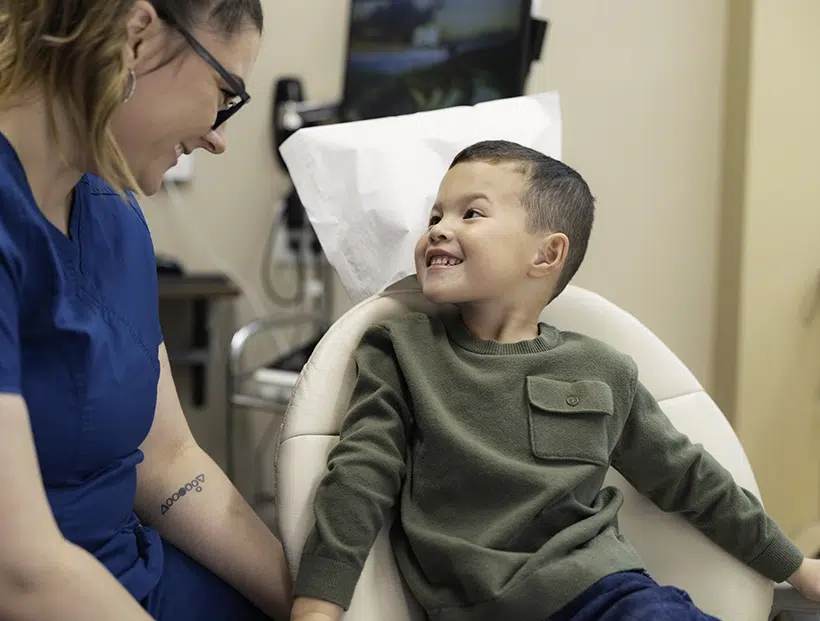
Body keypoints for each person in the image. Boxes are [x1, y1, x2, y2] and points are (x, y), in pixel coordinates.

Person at [289, 140, 820, 621]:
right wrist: (316, 607)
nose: (438, 229)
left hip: (610, 597)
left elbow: (691, 479)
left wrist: (797, 569)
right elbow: (359, 479)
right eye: (435, 215)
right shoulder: (401, 352)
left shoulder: (602, 369)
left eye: (471, 213)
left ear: (546, 254)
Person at [0, 1, 291, 620]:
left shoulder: (114, 213)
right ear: (137, 37)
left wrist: (315, 604)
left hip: (132, 572)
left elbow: (168, 463)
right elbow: (19, 572)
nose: (217, 137)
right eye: (224, 94)